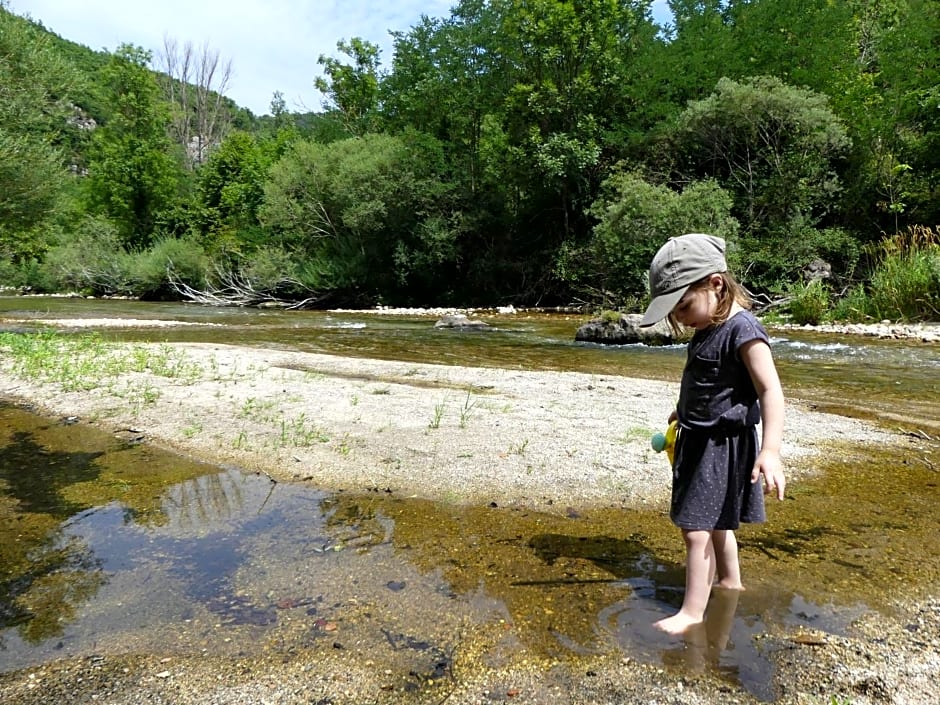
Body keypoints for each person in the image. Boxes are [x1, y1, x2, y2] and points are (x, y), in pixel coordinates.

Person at [640, 233, 786, 636]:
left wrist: (770, 450)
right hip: (699, 435)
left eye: (682, 306)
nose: (679, 318)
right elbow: (709, 382)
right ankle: (730, 582)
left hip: (720, 444)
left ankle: (691, 613)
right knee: (717, 522)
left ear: (716, 284)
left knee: (696, 527)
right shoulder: (708, 324)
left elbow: (770, 390)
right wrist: (682, 411)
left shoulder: (744, 330)